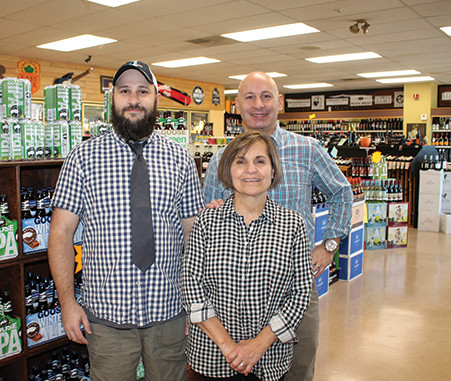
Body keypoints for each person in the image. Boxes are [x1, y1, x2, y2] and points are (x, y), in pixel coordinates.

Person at [48, 60, 204, 381]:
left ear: (155, 99)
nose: (134, 100)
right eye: (125, 91)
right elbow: (61, 233)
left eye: (142, 91)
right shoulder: (83, 158)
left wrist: (196, 302)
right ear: (113, 99)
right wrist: (67, 303)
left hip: (170, 316)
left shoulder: (181, 160)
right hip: (105, 321)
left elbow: (194, 234)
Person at [203, 72, 353, 381]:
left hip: (294, 285)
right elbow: (206, 216)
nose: (258, 105)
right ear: (236, 105)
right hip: (234, 290)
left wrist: (330, 245)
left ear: (280, 102)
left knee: (297, 370)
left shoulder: (307, 149)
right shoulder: (222, 159)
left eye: (266, 96)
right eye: (249, 97)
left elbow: (341, 191)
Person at [181, 131, 313, 381]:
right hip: (212, 357)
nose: (250, 169)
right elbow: (191, 288)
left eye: (260, 161)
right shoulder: (207, 222)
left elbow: (300, 294)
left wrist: (258, 345)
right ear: (228, 171)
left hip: (269, 359)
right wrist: (229, 346)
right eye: (240, 161)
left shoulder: (293, 226)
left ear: (272, 171)